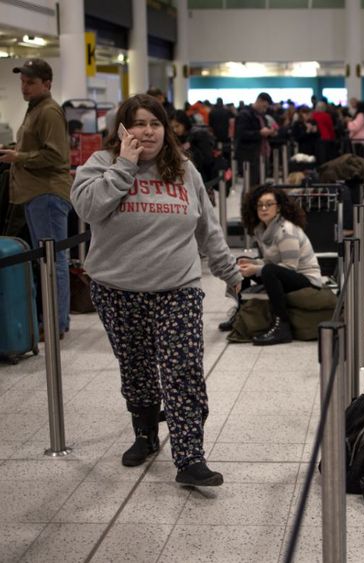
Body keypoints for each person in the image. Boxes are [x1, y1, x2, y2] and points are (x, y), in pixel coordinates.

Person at [70, 94, 242, 486]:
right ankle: (145, 435)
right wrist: (125, 167)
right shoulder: (100, 165)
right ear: (122, 130)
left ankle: (190, 457)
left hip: (176, 287)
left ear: (167, 129)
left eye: (155, 124)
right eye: (139, 124)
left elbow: (207, 227)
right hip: (117, 290)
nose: (148, 132)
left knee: (183, 371)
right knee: (138, 371)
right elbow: (88, 210)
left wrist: (228, 272)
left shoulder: (183, 170)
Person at [0, 58, 72, 339]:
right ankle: (50, 319)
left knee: (55, 260)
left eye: (30, 82)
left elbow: (56, 155)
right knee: (47, 260)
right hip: (34, 193)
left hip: (47, 193)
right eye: (22, 81)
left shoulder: (49, 112)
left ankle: (57, 323)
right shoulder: (35, 110)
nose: (25, 87)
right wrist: (13, 150)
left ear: (47, 83)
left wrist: (18, 156)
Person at [239, 186, 323, 346]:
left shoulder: (286, 231)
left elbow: (288, 268)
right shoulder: (261, 229)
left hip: (306, 279)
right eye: (260, 204)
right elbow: (271, 261)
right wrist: (252, 264)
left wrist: (257, 268)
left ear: (278, 208)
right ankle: (240, 315)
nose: (264, 208)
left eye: (269, 204)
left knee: (266, 271)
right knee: (244, 264)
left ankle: (282, 327)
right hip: (284, 273)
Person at [235, 92, 275, 185]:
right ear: (259, 101)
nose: (265, 109)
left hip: (261, 155)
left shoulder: (261, 116)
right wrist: (259, 133)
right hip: (249, 156)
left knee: (258, 184)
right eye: (264, 106)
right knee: (250, 185)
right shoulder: (244, 114)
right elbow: (241, 134)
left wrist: (269, 132)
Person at [171, 110, 217, 185]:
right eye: (172, 127)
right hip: (184, 179)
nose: (175, 130)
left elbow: (207, 159)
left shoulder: (198, 135)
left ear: (184, 123)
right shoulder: (176, 137)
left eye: (177, 126)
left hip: (201, 178)